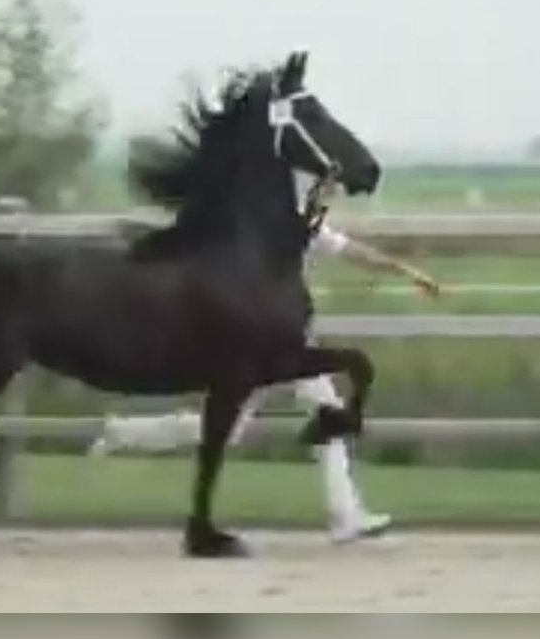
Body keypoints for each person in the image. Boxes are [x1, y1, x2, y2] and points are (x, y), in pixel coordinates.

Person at [95, 176, 440, 544]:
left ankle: (126, 433)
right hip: (272, 343)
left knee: (242, 427)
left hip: (279, 341)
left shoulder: (306, 226)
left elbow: (354, 252)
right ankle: (346, 516)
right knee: (323, 411)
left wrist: (406, 271)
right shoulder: (273, 225)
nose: (331, 194)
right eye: (326, 187)